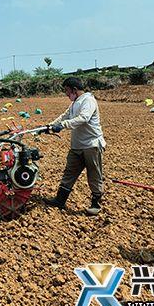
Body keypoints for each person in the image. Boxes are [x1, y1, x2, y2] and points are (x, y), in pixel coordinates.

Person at [44, 77, 106, 215]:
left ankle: (96, 204)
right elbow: (64, 116)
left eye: (67, 90)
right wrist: (50, 125)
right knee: (69, 173)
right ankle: (59, 200)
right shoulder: (74, 103)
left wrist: (63, 125)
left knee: (94, 174)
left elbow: (84, 118)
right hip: (77, 146)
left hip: (91, 144)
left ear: (74, 89)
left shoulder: (88, 100)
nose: (66, 94)